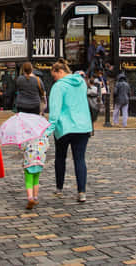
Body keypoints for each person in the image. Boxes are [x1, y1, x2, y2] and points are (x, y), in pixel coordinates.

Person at [48, 59, 93, 203]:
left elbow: (54, 111)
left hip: (64, 127)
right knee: (80, 159)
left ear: (60, 72)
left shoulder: (58, 86)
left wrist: (49, 129)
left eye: (54, 76)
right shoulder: (81, 83)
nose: (54, 79)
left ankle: (59, 188)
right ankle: (82, 192)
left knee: (60, 157)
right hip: (83, 126)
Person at [20, 125, 53, 210]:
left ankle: (30, 198)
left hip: (29, 161)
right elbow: (47, 146)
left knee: (29, 180)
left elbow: (22, 147)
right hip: (40, 160)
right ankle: (35, 197)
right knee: (36, 179)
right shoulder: (43, 135)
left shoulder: (26, 136)